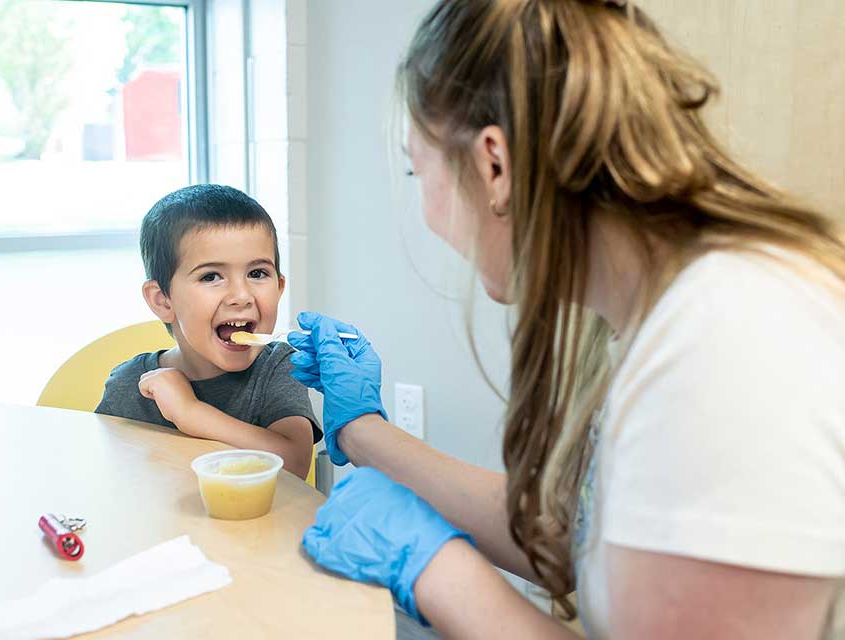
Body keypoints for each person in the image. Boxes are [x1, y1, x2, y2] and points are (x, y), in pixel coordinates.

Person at [288, 0, 845, 637]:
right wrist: (362, 432)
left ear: (493, 164)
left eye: (420, 169)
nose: (427, 211)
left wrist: (439, 571)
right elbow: (578, 531)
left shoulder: (728, 340)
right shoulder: (649, 311)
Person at [95, 184, 321, 479]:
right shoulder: (129, 388)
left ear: (279, 288)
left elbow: (293, 464)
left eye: (257, 274)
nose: (241, 295)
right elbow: (101, 477)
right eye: (211, 276)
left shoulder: (277, 367)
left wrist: (190, 413)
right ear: (163, 300)